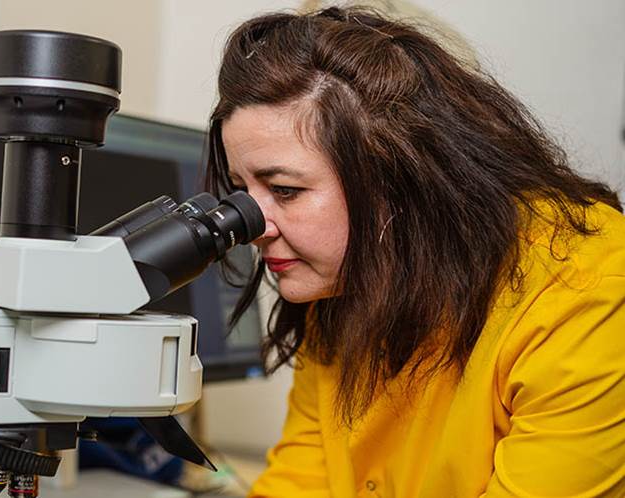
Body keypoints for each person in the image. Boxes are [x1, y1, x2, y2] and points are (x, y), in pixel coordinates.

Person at [205, 6, 625, 497]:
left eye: (285, 190)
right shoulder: (346, 275)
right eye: (241, 189)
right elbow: (301, 481)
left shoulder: (585, 291)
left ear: (397, 176)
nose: (255, 228)